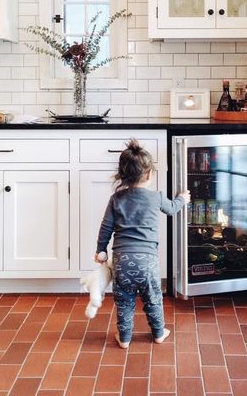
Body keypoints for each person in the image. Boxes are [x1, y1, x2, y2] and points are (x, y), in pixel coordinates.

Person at [94, 139, 190, 349]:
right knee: (153, 298)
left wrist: (100, 250)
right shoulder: (156, 197)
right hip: (147, 262)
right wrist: (183, 198)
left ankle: (125, 338)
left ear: (123, 175)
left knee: (124, 301)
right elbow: (173, 208)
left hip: (121, 262)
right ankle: (158, 333)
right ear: (149, 174)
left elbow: (106, 227)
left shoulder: (116, 198)